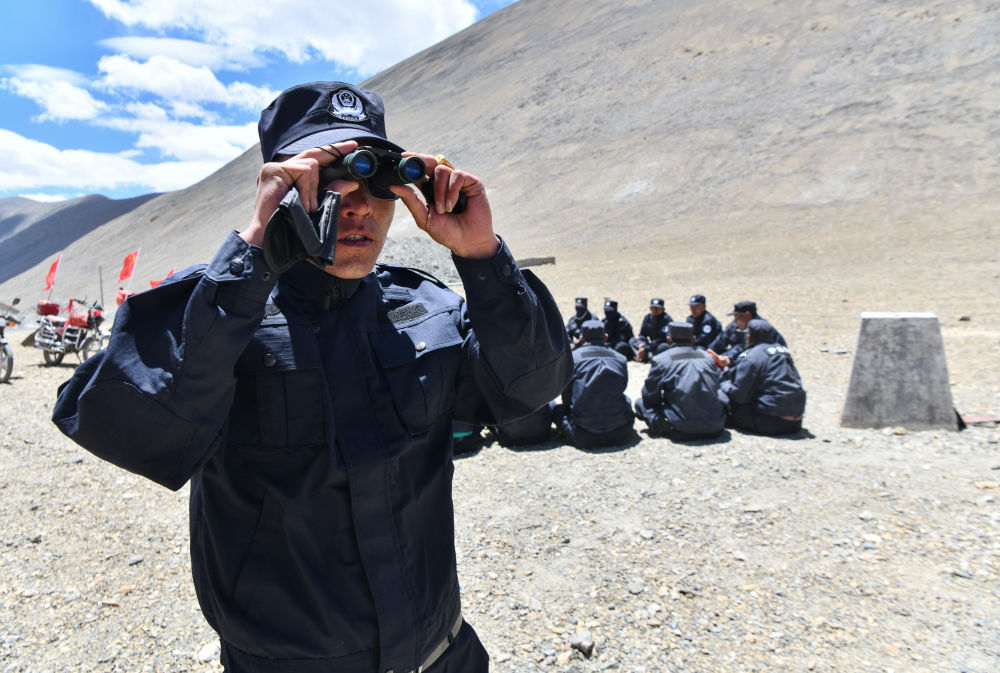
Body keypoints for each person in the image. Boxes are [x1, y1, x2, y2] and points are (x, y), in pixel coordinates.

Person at [51, 81, 573, 673]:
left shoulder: (421, 306)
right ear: (281, 189)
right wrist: (252, 258)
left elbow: (531, 386)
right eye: (326, 180)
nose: (356, 205)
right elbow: (129, 427)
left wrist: (482, 256)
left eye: (375, 183)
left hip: (440, 651)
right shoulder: (221, 311)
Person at [635, 322, 729, 439]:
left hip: (682, 429)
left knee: (640, 404)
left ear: (669, 340)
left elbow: (649, 396)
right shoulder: (708, 357)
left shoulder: (662, 360)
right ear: (693, 339)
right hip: (716, 426)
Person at [551, 319, 636, 448]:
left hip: (584, 435)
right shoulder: (620, 358)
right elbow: (622, 386)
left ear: (582, 339)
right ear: (605, 337)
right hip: (620, 433)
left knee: (558, 410)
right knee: (627, 400)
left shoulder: (573, 358)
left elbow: (566, 396)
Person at [721, 319, 805, 435]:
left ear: (749, 336)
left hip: (771, 422)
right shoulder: (784, 352)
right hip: (796, 422)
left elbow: (739, 396)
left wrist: (724, 385)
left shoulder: (752, 356)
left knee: (721, 397)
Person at [709, 300, 787, 367]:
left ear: (747, 315)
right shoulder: (734, 325)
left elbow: (745, 349)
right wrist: (710, 353)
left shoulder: (763, 330)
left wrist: (729, 358)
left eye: (738, 317)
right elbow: (721, 340)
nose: (735, 321)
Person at [629, 297, 672, 363]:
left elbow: (663, 338)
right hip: (649, 345)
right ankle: (645, 355)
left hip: (658, 345)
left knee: (664, 347)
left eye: (657, 308)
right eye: (652, 308)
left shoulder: (666, 319)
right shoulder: (648, 318)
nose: (654, 310)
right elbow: (642, 334)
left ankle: (646, 355)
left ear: (663, 309)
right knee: (632, 341)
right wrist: (642, 343)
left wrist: (646, 348)